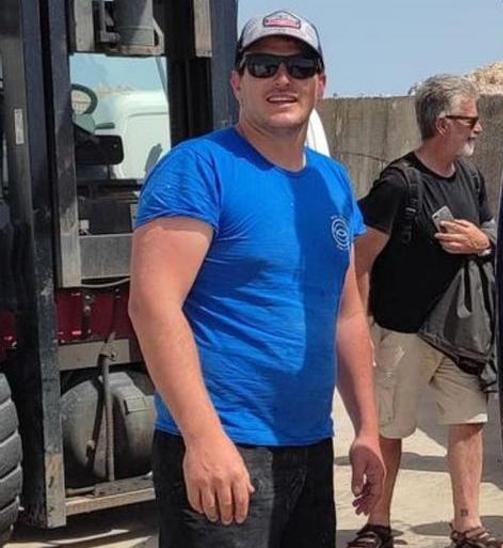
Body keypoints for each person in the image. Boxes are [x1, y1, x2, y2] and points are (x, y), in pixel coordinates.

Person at [129, 10, 384, 547]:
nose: (282, 79)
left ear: (320, 82)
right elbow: (153, 308)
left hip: (311, 447)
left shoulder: (331, 181)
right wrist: (203, 439)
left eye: (299, 65)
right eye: (264, 65)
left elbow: (346, 313)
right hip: (226, 448)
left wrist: (366, 428)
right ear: (237, 81)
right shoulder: (198, 168)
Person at [348, 75, 503, 548]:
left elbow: (490, 232)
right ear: (443, 124)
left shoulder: (471, 178)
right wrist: (361, 328)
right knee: (389, 432)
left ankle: (468, 525)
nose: (478, 129)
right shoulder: (399, 183)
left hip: (462, 334)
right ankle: (377, 525)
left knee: (468, 427)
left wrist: (485, 242)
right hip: (404, 331)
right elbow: (361, 259)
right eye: (471, 120)